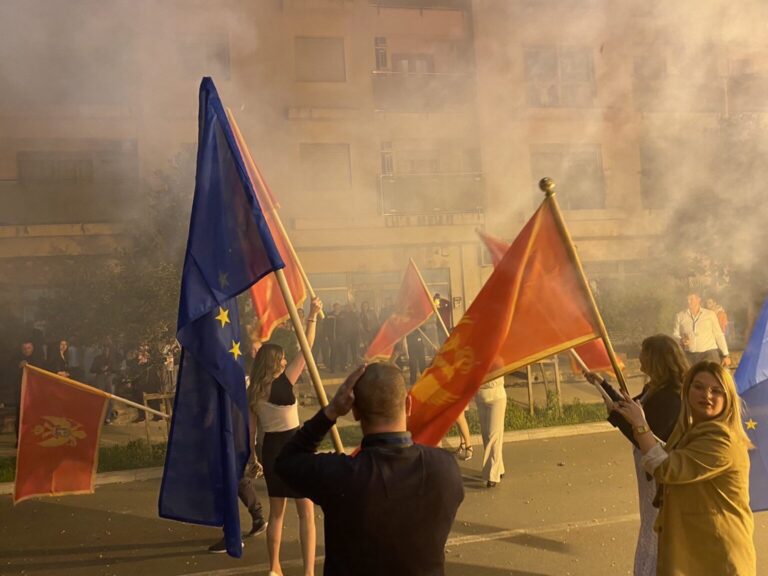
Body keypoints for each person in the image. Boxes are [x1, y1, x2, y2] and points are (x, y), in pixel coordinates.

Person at [275, 362, 464, 576]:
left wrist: (331, 411)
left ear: (354, 412)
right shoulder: (444, 469)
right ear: (408, 404)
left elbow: (286, 462)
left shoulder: (341, 476)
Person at [613, 362, 756, 575]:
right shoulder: (694, 431)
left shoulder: (721, 440)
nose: (706, 395)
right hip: (697, 548)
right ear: (687, 390)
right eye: (698, 387)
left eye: (716, 391)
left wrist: (640, 425)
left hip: (717, 555)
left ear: (728, 400)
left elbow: (665, 467)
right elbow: (670, 456)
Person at [585, 334, 687, 576]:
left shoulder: (672, 395)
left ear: (656, 359)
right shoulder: (655, 387)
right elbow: (631, 408)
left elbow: (643, 435)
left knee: (654, 528)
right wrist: (602, 385)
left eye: (644, 352)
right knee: (649, 523)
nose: (639, 356)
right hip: (647, 468)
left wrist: (626, 419)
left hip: (659, 471)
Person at [248, 298, 322, 576]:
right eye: (281, 358)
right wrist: (312, 316)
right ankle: (308, 573)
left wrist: (254, 458)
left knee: (276, 514)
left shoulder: (253, 393)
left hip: (272, 453)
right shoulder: (285, 381)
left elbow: (252, 434)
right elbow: (306, 347)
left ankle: (274, 568)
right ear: (274, 363)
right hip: (296, 449)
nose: (284, 360)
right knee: (306, 514)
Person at [672, 292, 730, 366]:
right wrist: (681, 340)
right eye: (687, 299)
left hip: (709, 354)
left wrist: (725, 355)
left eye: (691, 299)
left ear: (698, 299)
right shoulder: (680, 316)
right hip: (689, 356)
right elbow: (675, 334)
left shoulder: (710, 314)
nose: (688, 301)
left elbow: (718, 335)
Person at [474, 376, 507, 488]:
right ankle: (499, 468)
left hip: (496, 395)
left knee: (493, 435)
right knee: (486, 435)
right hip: (480, 396)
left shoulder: (498, 358)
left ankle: (492, 475)